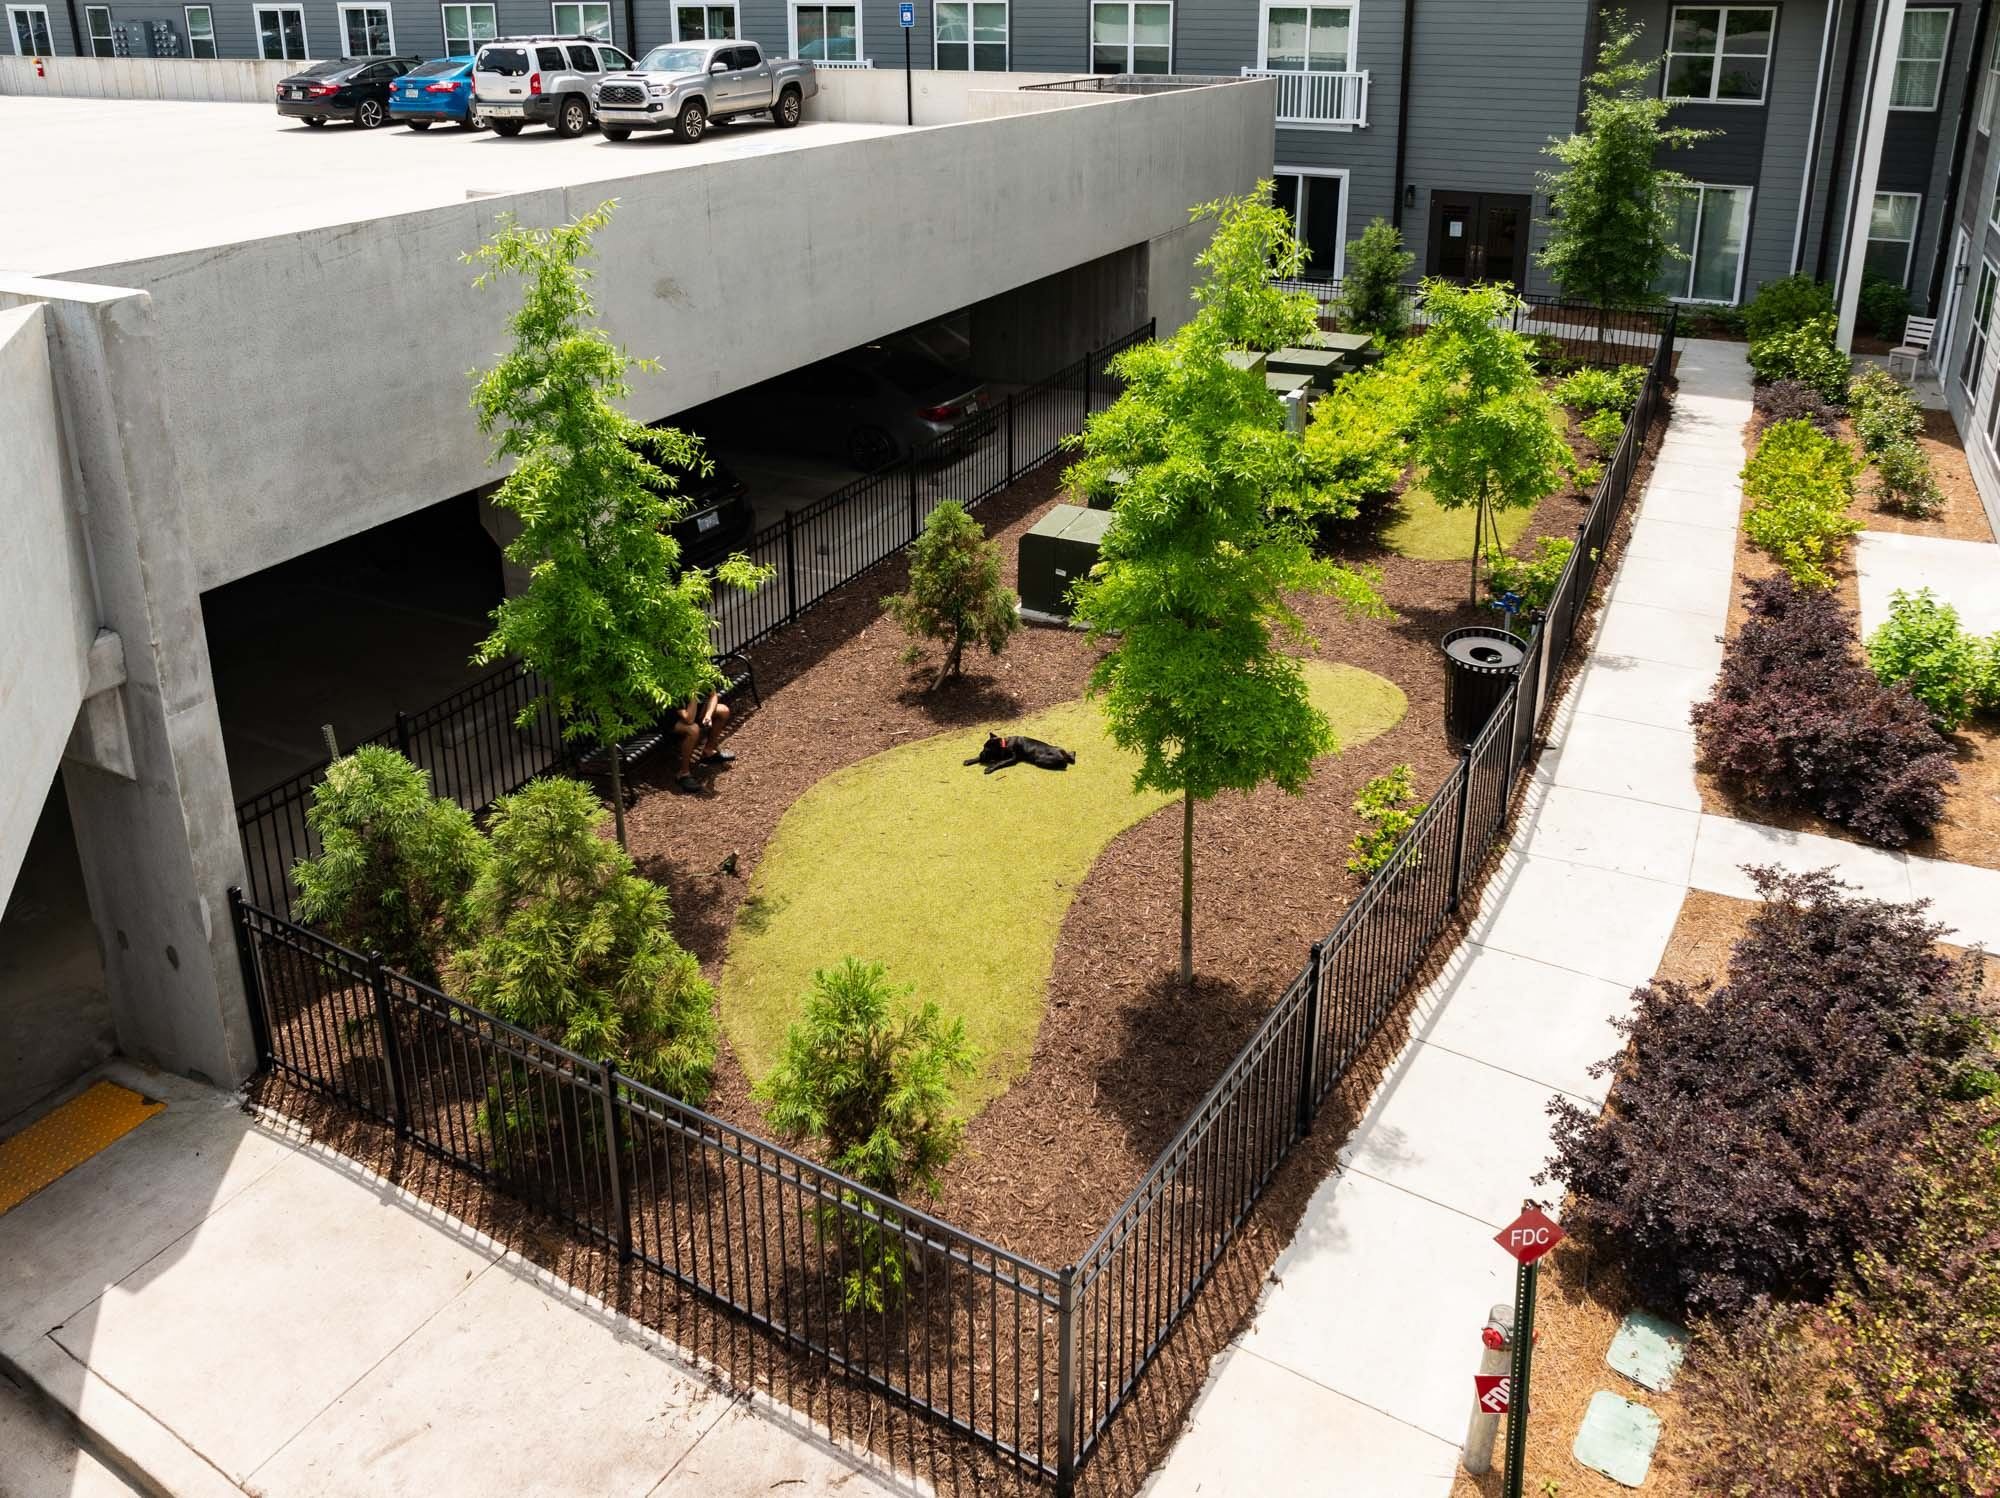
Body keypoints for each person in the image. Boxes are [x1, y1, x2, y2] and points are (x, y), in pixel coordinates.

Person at [669, 688, 733, 793]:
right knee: (693, 729)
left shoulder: (699, 673)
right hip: (671, 720)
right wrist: (693, 692)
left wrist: (708, 715)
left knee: (723, 711)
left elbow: (713, 695)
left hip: (693, 712)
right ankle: (683, 773)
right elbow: (689, 719)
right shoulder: (675, 683)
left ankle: (708, 751)